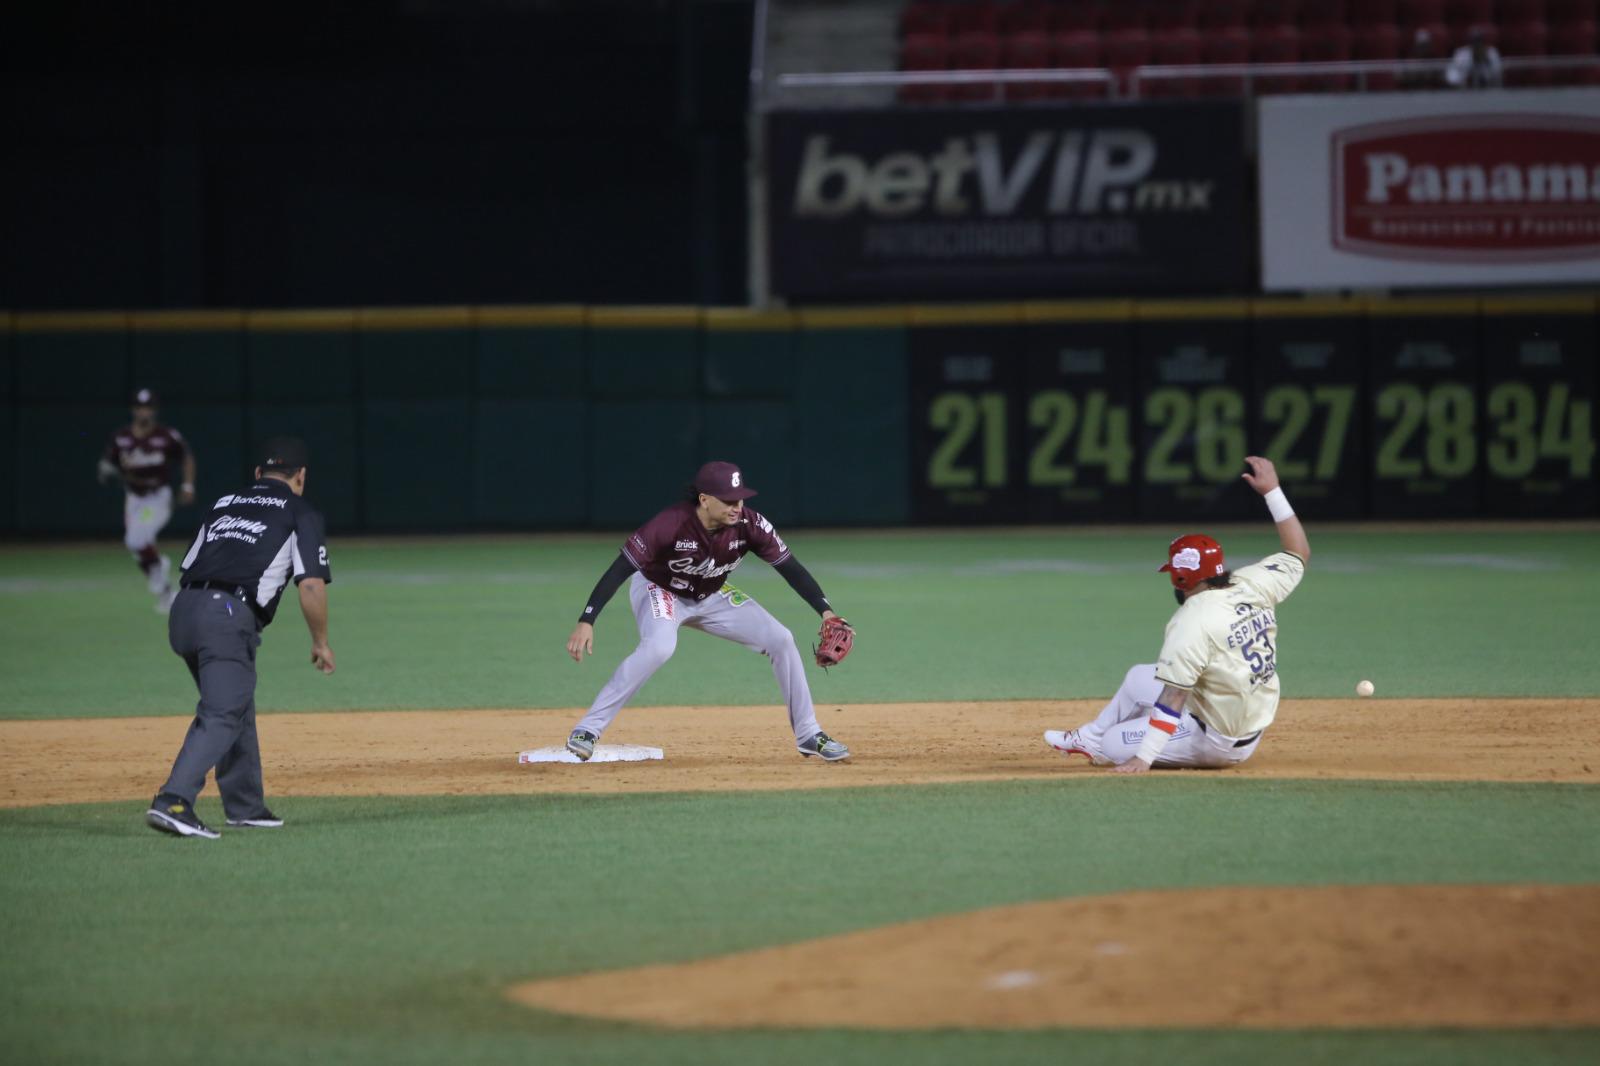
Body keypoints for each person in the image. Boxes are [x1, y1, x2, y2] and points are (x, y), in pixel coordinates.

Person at [564, 461, 851, 762]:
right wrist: (587, 619)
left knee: (781, 638)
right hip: (659, 590)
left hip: (712, 594)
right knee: (660, 647)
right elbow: (620, 568)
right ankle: (587, 730)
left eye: (739, 499)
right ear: (704, 499)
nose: (736, 506)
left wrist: (826, 612)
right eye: (728, 500)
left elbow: (790, 568)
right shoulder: (670, 523)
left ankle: (808, 734)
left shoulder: (751, 524)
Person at [1044, 455, 1309, 773]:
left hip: (1217, 741)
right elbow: (1298, 552)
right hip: (1241, 715)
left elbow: (1174, 697)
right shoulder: (1251, 582)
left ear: (1180, 579)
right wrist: (1273, 491)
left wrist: (1143, 757)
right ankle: (1088, 736)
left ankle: (1110, 740)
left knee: (1114, 745)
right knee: (1137, 677)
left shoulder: (1191, 620)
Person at [145, 437, 335, 839]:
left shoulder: (223, 503)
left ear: (257, 475)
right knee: (223, 711)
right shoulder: (300, 511)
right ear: (301, 476)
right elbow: (312, 585)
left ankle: (245, 806)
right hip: (226, 614)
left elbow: (191, 562)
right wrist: (320, 641)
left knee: (233, 701)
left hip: (184, 610)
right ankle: (174, 800)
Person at [97, 387, 196, 612]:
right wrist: (106, 470)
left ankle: (159, 568)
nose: (144, 412)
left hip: (157, 498)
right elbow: (107, 464)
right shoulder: (121, 437)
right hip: (133, 498)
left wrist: (187, 485)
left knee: (136, 540)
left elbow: (186, 457)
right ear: (133, 409)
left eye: (148, 407)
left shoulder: (166, 435)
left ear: (155, 410)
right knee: (137, 543)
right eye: (140, 407)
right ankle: (165, 592)